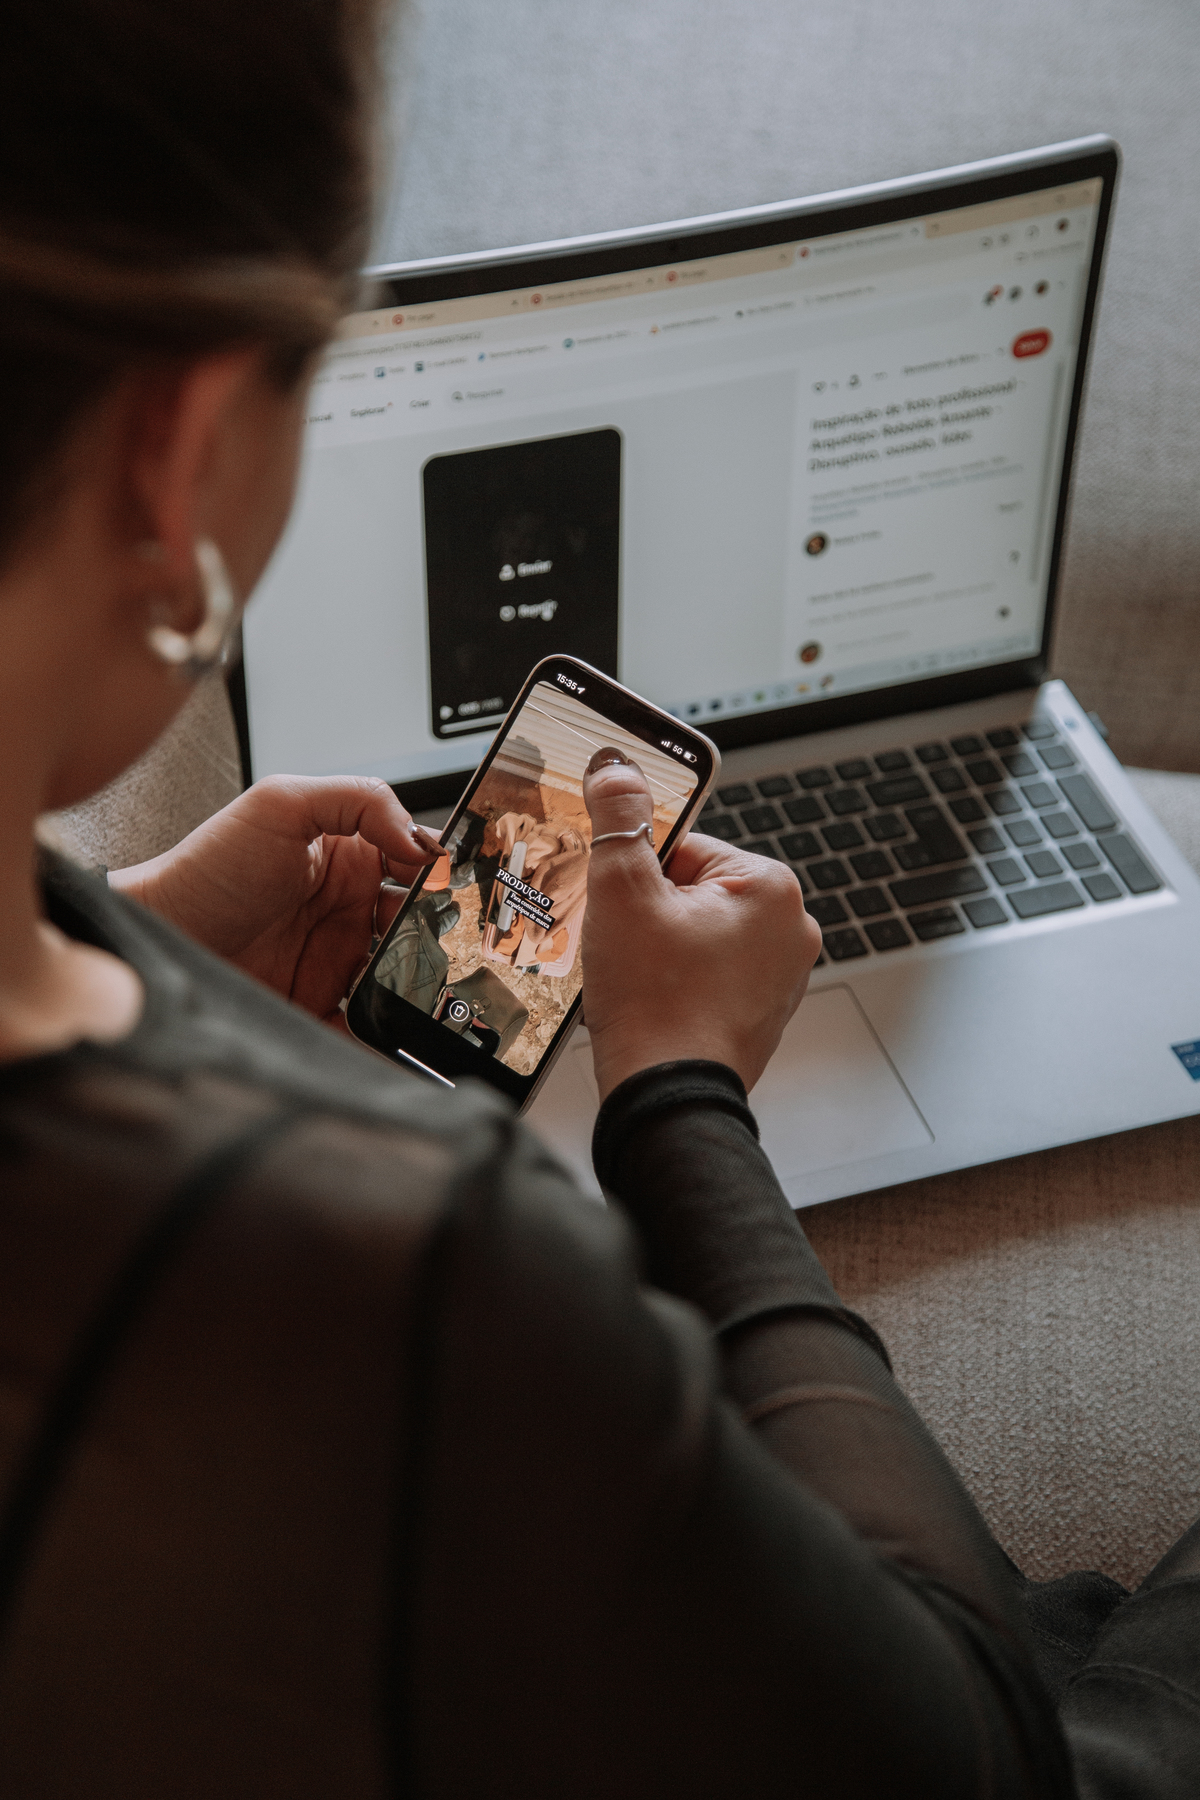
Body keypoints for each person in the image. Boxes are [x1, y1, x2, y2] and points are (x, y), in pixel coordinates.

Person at [0, 4, 1194, 1796]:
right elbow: (974, 1753)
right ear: (176, 449)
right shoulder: (422, 1261)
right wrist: (678, 1090)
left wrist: (133, 943)